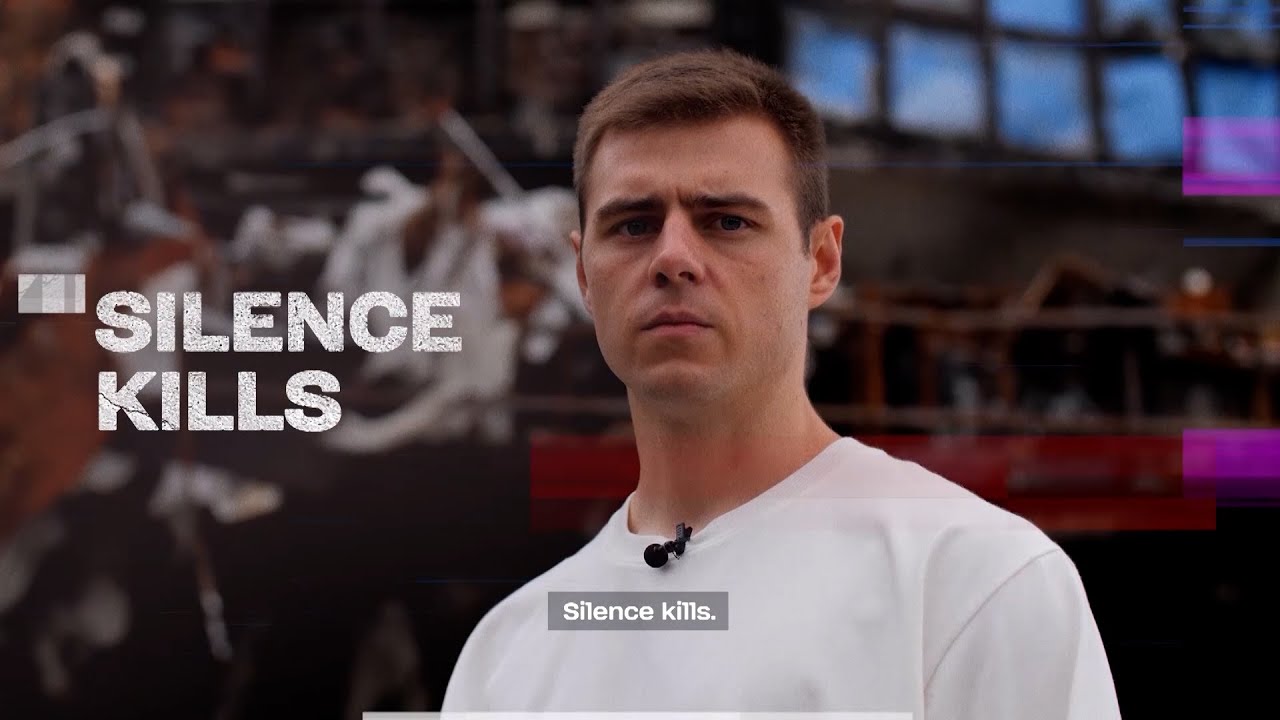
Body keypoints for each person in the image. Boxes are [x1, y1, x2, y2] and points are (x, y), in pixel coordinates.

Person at [441, 49, 1121, 719]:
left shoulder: (972, 581)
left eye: (727, 221)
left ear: (821, 261)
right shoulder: (505, 658)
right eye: (634, 225)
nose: (672, 258)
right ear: (584, 275)